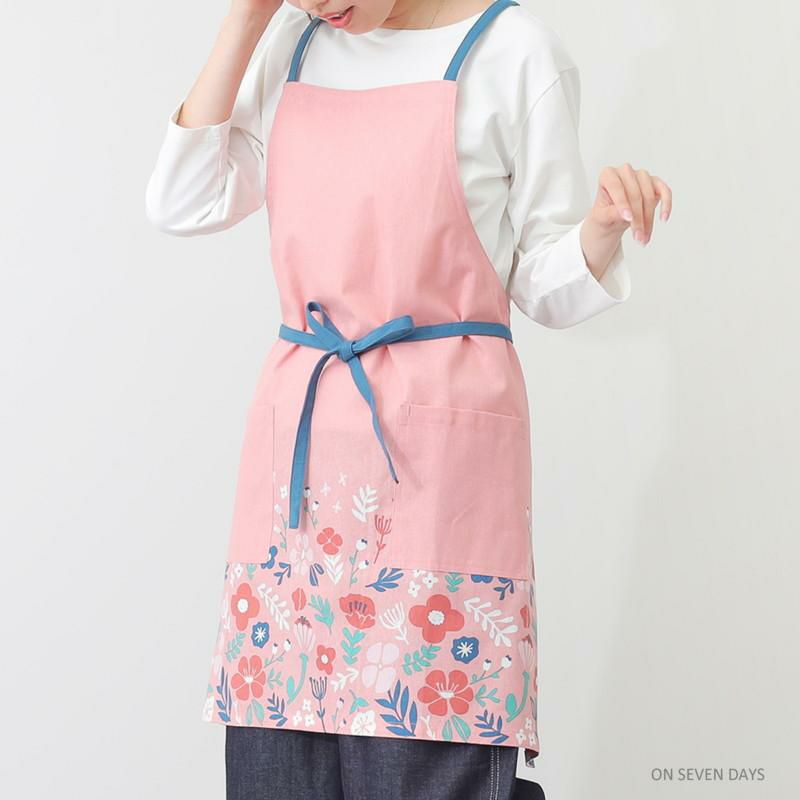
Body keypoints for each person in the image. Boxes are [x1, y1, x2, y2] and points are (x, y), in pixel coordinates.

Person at [145, 1, 671, 798]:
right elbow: (182, 200)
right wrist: (245, 24)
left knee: (428, 751)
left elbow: (542, 283)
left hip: (438, 481)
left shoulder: (514, 53)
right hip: (300, 482)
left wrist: (598, 229)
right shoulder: (294, 41)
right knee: (274, 763)